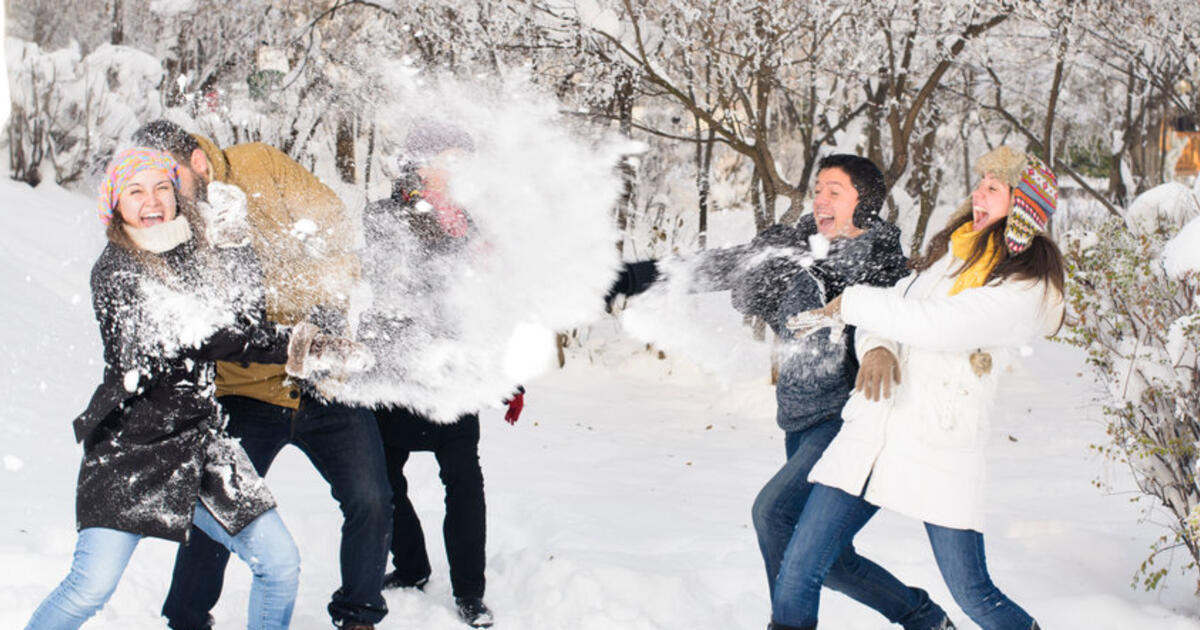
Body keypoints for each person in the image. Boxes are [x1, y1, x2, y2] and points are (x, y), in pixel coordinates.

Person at [607, 155, 954, 630]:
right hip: (801, 418)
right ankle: (923, 618)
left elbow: (896, 330)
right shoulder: (795, 246)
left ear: (864, 201)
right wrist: (629, 278)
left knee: (774, 515)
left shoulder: (884, 268)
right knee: (826, 560)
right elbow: (719, 265)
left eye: (835, 190)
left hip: (852, 422)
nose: (820, 198)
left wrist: (877, 350)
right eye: (818, 189)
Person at [24, 147, 364, 629]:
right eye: (135, 191)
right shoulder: (115, 271)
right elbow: (202, 335)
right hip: (132, 450)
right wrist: (298, 348)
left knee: (280, 564)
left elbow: (243, 318)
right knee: (90, 587)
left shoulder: (192, 250)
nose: (153, 200)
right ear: (115, 204)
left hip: (201, 443)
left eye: (162, 186)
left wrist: (236, 245)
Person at [775, 146, 1064, 630]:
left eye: (994, 187)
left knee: (975, 593)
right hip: (872, 430)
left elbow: (939, 326)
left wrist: (852, 304)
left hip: (937, 445)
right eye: (980, 183)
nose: (978, 193)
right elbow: (896, 306)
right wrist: (878, 350)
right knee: (800, 568)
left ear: (1023, 205)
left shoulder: (1024, 288)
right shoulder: (953, 253)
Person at [131, 120, 394, 630]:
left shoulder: (260, 163)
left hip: (323, 383)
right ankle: (186, 619)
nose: (162, 194)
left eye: (169, 179)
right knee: (215, 513)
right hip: (243, 390)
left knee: (372, 499)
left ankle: (360, 616)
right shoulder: (170, 228)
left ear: (198, 162)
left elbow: (330, 220)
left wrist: (323, 291)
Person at [360, 125, 523, 628]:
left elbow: (494, 304)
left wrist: (509, 373)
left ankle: (470, 592)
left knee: (464, 482)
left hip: (455, 374)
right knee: (386, 482)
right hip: (396, 371)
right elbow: (380, 291)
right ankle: (410, 565)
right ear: (419, 163)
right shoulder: (383, 217)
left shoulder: (478, 223)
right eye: (448, 158)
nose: (458, 169)